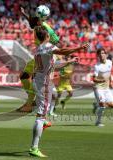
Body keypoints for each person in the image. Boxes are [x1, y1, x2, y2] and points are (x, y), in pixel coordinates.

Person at [29, 26, 89, 157]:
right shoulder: (48, 46)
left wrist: (69, 61)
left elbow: (53, 66)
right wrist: (79, 48)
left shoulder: (38, 49)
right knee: (40, 116)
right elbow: (62, 51)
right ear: (47, 36)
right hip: (43, 84)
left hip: (38, 82)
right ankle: (34, 147)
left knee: (41, 113)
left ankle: (42, 122)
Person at [92, 48, 113, 127]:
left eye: (103, 53)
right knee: (102, 104)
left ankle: (97, 106)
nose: (101, 55)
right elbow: (94, 79)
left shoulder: (110, 63)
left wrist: (111, 81)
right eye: (100, 54)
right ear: (98, 56)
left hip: (106, 88)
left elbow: (110, 73)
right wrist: (101, 81)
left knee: (112, 105)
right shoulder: (97, 66)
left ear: (106, 55)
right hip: (98, 88)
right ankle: (98, 122)